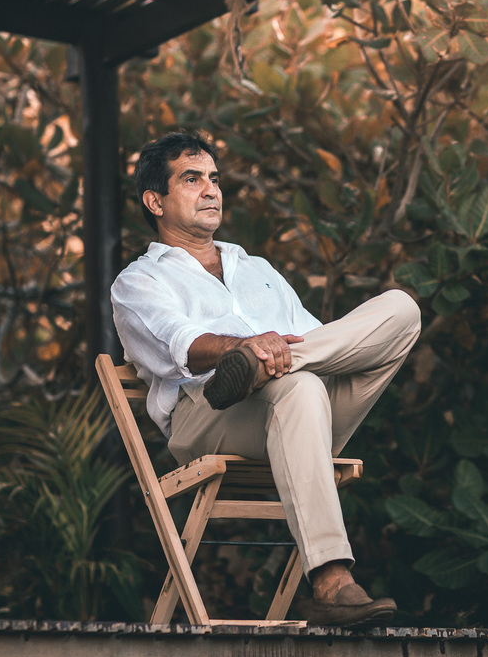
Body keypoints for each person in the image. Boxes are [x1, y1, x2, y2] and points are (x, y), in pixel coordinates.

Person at [110, 130, 420, 626]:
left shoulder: (257, 268)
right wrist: (242, 347)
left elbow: (322, 344)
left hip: (305, 411)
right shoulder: (139, 281)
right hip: (210, 417)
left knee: (401, 309)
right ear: (155, 201)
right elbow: (182, 344)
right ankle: (333, 581)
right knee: (297, 385)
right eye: (192, 180)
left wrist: (269, 359)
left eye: (214, 178)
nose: (211, 190)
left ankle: (263, 371)